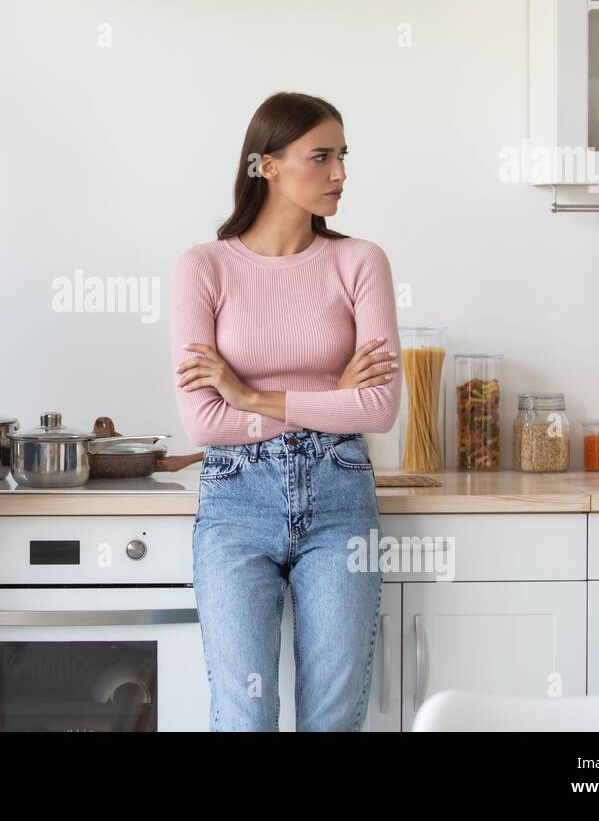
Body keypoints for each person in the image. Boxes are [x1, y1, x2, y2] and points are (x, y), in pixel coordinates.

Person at [170, 91, 401, 731]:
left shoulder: (360, 262)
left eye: (343, 157)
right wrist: (332, 401)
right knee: (244, 717)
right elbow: (203, 423)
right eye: (320, 157)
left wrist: (246, 395)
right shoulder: (205, 268)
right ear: (265, 166)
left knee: (332, 719)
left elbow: (378, 407)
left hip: (339, 494)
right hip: (236, 501)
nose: (340, 175)